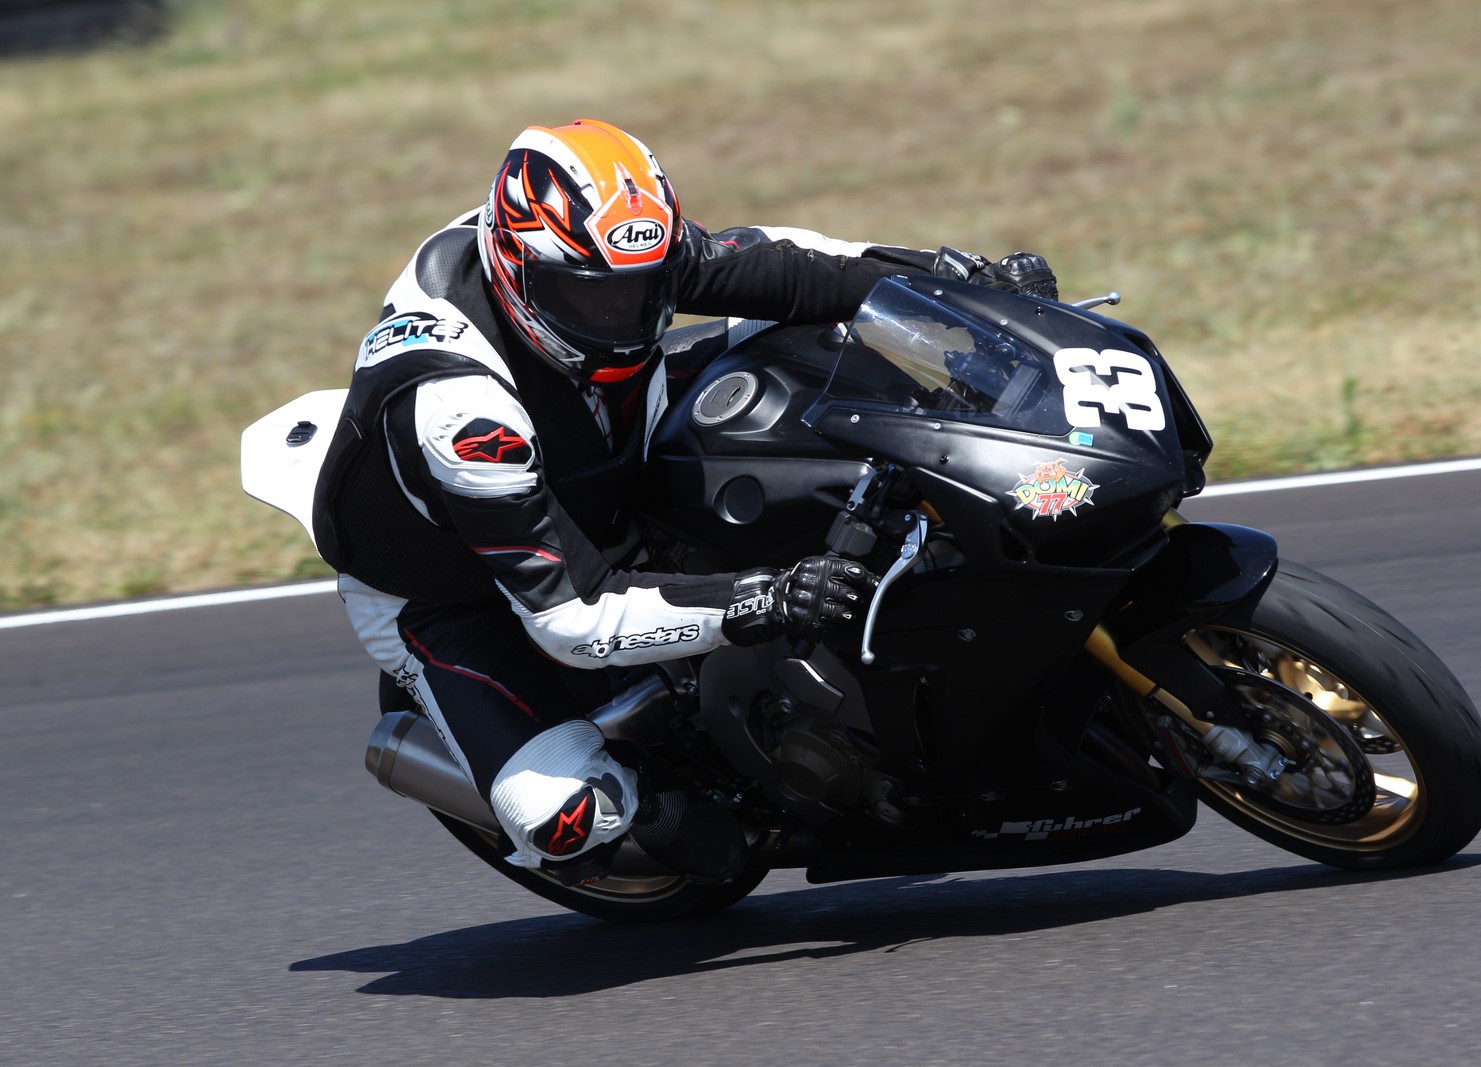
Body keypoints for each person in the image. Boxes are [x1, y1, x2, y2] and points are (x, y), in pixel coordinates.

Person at [313, 119, 1058, 884]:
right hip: (454, 596)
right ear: (517, 274)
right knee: (579, 822)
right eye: (592, 299)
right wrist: (769, 596)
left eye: (645, 290)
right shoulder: (463, 414)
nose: (623, 317)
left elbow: (782, 264)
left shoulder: (605, 253)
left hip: (601, 445)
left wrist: (951, 284)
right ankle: (636, 793)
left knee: (818, 343)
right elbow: (571, 616)